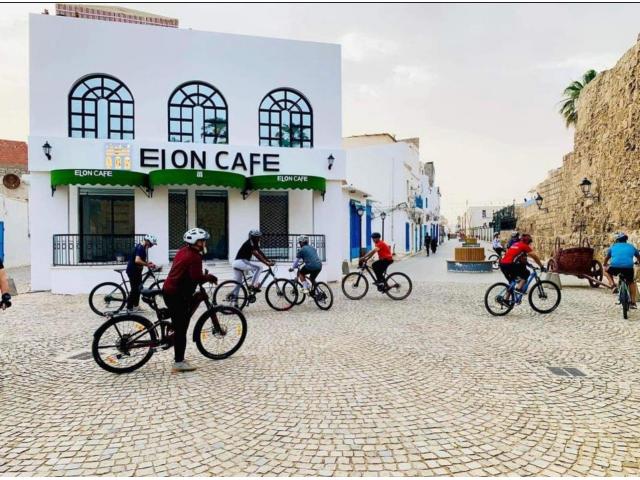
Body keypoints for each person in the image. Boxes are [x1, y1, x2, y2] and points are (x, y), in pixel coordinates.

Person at [162, 228, 217, 373]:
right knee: (181, 329)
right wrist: (209, 277)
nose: (204, 243)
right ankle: (179, 363)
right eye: (202, 241)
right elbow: (196, 277)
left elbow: (188, 273)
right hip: (177, 294)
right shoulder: (195, 257)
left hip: (170, 290)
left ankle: (174, 325)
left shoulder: (183, 251)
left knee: (181, 319)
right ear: (196, 242)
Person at [499, 233, 544, 302]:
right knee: (526, 273)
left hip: (502, 264)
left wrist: (528, 264)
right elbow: (534, 256)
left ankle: (506, 300)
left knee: (512, 283)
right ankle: (518, 289)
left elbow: (521, 258)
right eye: (529, 242)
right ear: (527, 241)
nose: (530, 244)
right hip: (509, 264)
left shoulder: (515, 244)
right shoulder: (524, 246)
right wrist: (541, 266)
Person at [603, 232, 640, 308]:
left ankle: (613, 285)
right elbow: (638, 256)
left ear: (617, 240)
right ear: (626, 240)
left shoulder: (613, 247)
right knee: (631, 282)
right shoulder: (631, 247)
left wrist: (605, 264)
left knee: (605, 271)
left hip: (615, 267)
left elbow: (607, 258)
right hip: (628, 268)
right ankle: (633, 303)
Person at [232, 230, 274, 295]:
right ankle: (252, 285)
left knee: (238, 283)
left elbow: (260, 252)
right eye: (258, 237)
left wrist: (268, 260)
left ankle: (234, 299)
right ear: (253, 237)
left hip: (237, 263)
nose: (259, 239)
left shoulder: (254, 243)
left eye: (259, 237)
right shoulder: (250, 244)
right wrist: (266, 263)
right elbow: (257, 255)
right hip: (241, 262)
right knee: (259, 268)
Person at [125, 234, 157, 312]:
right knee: (135, 289)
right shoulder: (140, 248)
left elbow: (140, 259)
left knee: (139, 289)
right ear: (147, 241)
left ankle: (136, 306)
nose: (152, 246)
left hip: (137, 271)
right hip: (133, 271)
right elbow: (137, 260)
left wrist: (147, 263)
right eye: (151, 244)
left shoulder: (142, 247)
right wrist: (147, 265)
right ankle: (129, 307)